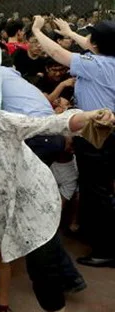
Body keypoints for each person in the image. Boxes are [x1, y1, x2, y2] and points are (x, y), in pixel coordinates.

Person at [0, 84, 114, 312]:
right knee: (37, 264)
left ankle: (56, 306)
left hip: (38, 204)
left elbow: (48, 124)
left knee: (41, 271)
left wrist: (88, 116)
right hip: (4, 213)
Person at [32, 16, 115, 268]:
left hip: (97, 133)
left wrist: (37, 30)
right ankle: (100, 238)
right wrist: (69, 31)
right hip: (105, 131)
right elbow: (90, 46)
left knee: (96, 190)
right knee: (99, 187)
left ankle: (106, 249)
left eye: (90, 37)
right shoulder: (106, 59)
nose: (86, 40)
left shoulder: (96, 64)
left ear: (96, 44)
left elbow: (58, 52)